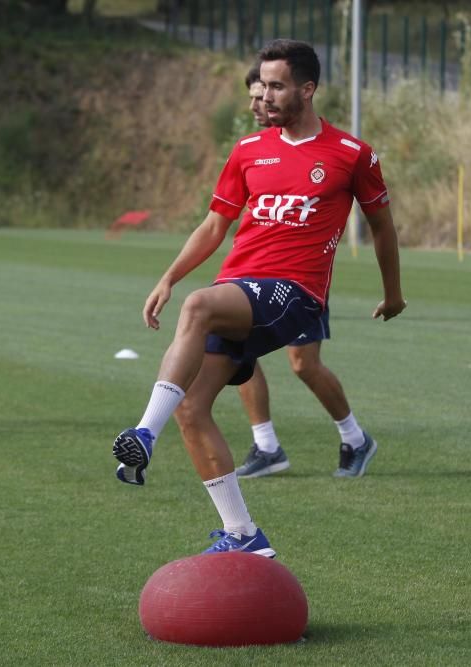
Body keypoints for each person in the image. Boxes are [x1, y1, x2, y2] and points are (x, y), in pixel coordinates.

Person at [111, 40, 405, 558]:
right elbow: (214, 225)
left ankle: (142, 435)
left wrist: (393, 294)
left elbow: (382, 227)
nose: (264, 95)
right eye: (262, 85)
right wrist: (169, 277)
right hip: (241, 288)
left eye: (276, 85)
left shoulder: (351, 154)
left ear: (307, 89)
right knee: (193, 410)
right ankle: (245, 535)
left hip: (296, 293)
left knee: (202, 309)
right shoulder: (249, 151)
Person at [235, 65, 378, 480]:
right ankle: (267, 446)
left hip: (302, 280)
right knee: (236, 351)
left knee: (303, 364)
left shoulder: (332, 150)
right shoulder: (254, 148)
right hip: (255, 276)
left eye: (263, 94)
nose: (257, 104)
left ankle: (354, 438)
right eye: (254, 96)